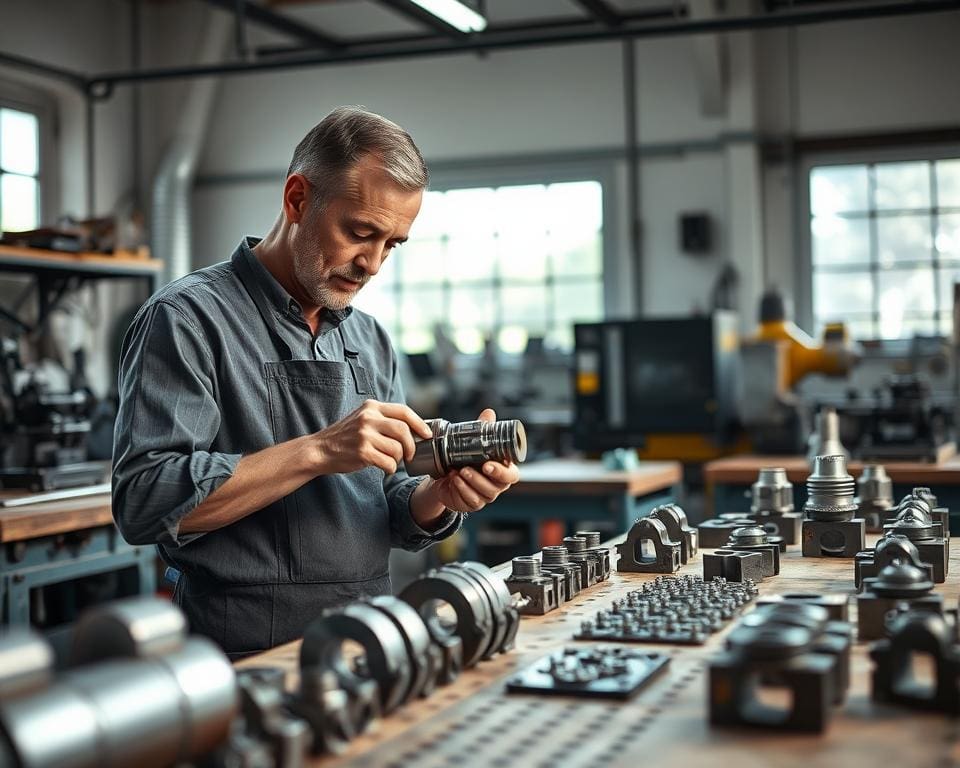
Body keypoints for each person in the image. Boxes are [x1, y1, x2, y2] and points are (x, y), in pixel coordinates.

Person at [112, 106, 520, 657]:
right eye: (359, 232)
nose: (372, 264)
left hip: (372, 640)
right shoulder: (188, 320)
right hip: (241, 651)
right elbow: (144, 500)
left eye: (392, 244)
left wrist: (437, 497)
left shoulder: (369, 339)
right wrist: (319, 450)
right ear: (298, 199)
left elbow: (388, 502)